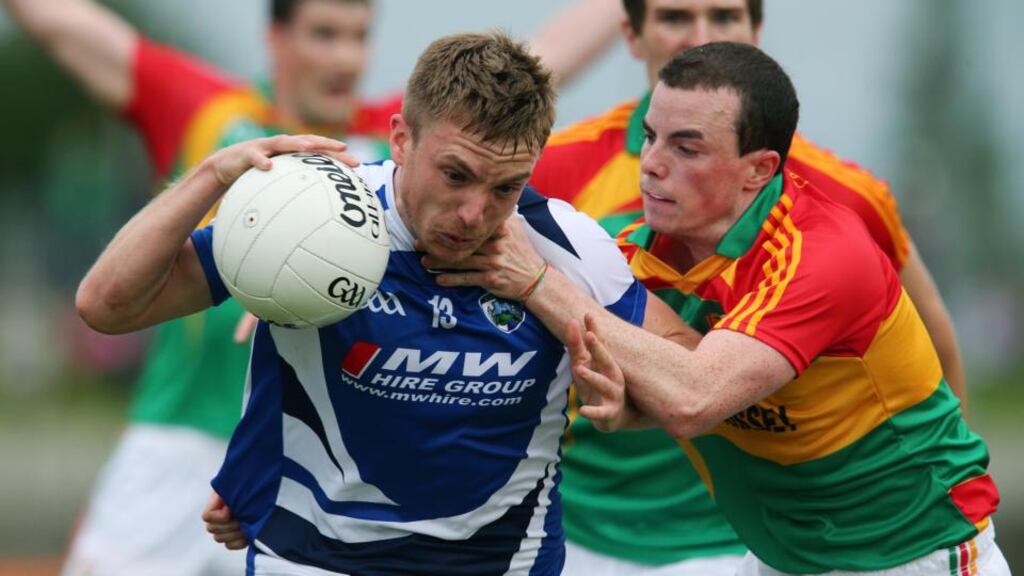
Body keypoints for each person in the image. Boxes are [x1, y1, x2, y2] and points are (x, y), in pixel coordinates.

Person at [75, 31, 689, 575]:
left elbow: (686, 371)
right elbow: (108, 305)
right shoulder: (315, 216)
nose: (475, 213)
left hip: (504, 564)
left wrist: (553, 303)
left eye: (506, 187)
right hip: (315, 559)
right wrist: (211, 177)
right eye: (455, 175)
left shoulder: (565, 245)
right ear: (401, 137)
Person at [437, 42, 1007, 575]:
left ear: (759, 169)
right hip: (779, 558)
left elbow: (693, 397)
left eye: (686, 148)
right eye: (651, 136)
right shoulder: (637, 247)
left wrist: (539, 284)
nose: (652, 164)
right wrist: (352, 180)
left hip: (916, 554)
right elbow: (470, 206)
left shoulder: (822, 255)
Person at [2, 0, 397, 573]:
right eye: (325, 34)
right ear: (276, 36)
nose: (346, 57)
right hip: (179, 440)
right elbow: (65, 24)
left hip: (314, 463)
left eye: (360, 37)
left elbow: (532, 69)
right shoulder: (210, 111)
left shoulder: (397, 144)